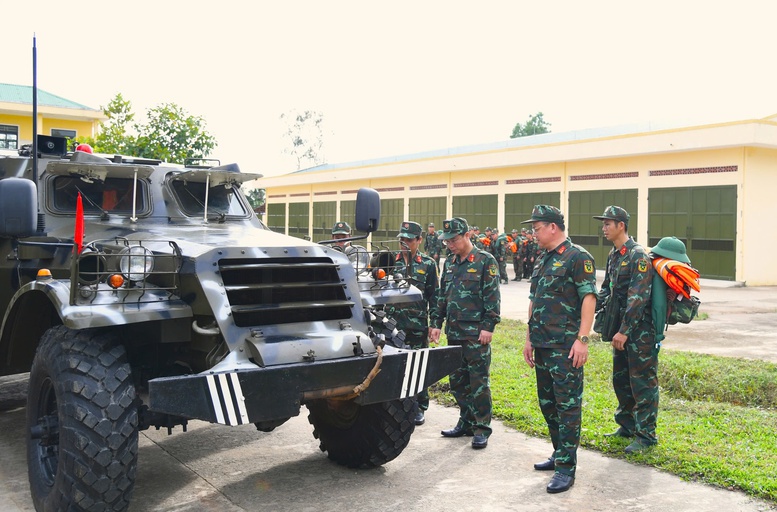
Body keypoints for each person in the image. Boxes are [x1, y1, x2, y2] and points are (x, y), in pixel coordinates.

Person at [521, 205, 597, 494]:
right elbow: (534, 299)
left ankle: (567, 468)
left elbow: (589, 298)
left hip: (565, 347)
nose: (533, 233)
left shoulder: (578, 257)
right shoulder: (544, 259)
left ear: (553, 227)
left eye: (537, 227)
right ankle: (559, 452)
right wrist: (529, 337)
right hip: (542, 343)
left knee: (567, 407)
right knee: (548, 404)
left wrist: (583, 339)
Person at [430, 217, 501, 450]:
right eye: (446, 241)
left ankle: (482, 428)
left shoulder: (485, 261)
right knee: (458, 382)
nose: (450, 245)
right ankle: (466, 421)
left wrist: (488, 327)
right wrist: (436, 323)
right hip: (455, 332)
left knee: (478, 382)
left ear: (467, 235)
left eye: (454, 240)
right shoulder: (449, 263)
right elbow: (443, 296)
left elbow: (492, 297)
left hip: (476, 334)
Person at [593, 206, 657, 455]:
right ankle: (627, 426)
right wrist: (590, 309)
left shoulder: (638, 255)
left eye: (608, 223)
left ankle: (646, 435)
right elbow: (607, 289)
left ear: (621, 225)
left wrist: (625, 331)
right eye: (603, 223)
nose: (604, 228)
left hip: (639, 333)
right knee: (621, 380)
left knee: (642, 383)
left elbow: (637, 298)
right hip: (620, 329)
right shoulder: (615, 255)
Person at [387, 221, 440, 426]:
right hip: (392, 325)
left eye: (409, 239)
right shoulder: (390, 260)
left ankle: (419, 407)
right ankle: (395, 406)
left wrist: (435, 323)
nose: (404, 243)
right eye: (402, 239)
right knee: (393, 367)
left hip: (416, 325)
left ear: (419, 240)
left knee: (419, 366)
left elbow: (435, 296)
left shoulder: (427, 264)